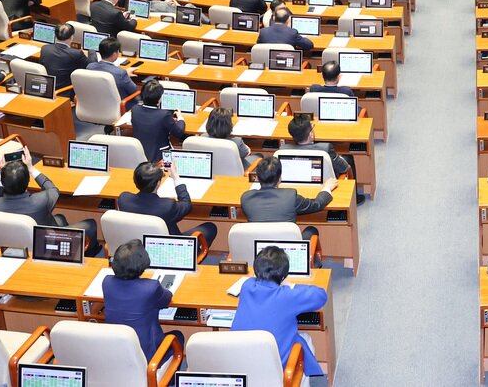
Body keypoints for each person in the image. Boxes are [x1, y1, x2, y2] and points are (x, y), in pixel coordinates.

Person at [230, 245, 329, 379]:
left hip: (242, 364)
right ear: (283, 275)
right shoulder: (287, 295)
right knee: (306, 339)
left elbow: (253, 281)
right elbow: (321, 295)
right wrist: (291, 285)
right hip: (277, 370)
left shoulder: (247, 286)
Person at [0, 150, 100, 253]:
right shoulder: (41, 201)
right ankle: (90, 253)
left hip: (16, 243)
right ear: (28, 181)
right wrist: (31, 168)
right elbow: (53, 189)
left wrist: (1, 174)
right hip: (45, 245)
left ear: (3, 182)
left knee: (60, 218)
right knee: (90, 224)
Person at [102, 240, 177, 358]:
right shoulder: (151, 287)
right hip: (148, 356)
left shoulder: (107, 282)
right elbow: (167, 299)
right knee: (178, 336)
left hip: (115, 350)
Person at [117, 161, 218, 245]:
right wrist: (176, 177)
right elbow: (187, 205)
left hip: (136, 246)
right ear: (158, 183)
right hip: (168, 246)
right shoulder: (167, 206)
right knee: (210, 227)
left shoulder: (124, 199)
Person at [130, 79, 188, 161]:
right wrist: (180, 118)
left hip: (140, 153)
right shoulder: (164, 115)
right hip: (160, 157)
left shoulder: (135, 109)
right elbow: (179, 132)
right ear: (159, 99)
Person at [281, 113, 351, 179]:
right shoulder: (325, 149)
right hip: (327, 184)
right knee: (348, 158)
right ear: (310, 134)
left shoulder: (282, 150)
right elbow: (344, 168)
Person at [41, 23, 90, 92]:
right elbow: (89, 66)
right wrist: (91, 51)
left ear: (55, 35)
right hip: (66, 90)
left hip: (48, 88)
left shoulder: (45, 49)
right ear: (71, 37)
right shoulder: (76, 53)